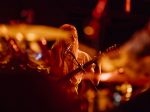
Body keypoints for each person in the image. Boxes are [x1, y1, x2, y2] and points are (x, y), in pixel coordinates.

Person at [49, 24, 101, 94]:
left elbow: (95, 82)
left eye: (75, 36)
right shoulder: (51, 54)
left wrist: (98, 66)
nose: (74, 39)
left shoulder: (83, 56)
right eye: (70, 36)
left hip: (72, 99)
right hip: (52, 96)